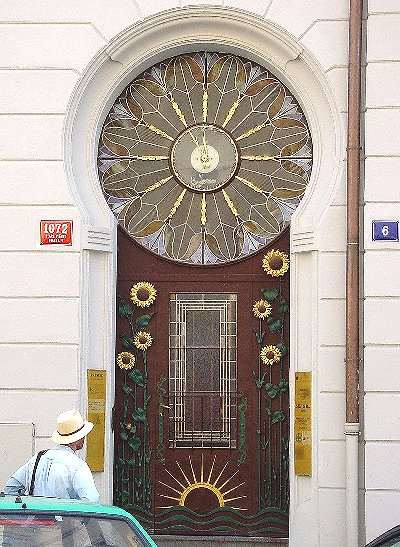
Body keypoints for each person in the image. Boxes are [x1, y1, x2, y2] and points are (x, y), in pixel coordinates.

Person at [3, 409, 100, 503]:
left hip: (36, 518)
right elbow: (92, 501)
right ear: (78, 438)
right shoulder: (77, 466)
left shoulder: (37, 458)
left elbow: (10, 489)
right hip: (64, 519)